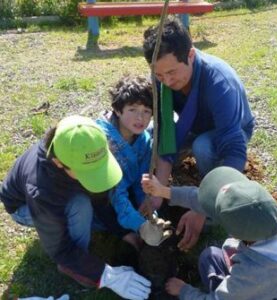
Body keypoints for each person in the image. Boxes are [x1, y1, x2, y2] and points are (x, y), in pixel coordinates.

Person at [0, 115, 151, 300]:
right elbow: (59, 248)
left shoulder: (85, 142)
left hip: (61, 192)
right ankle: (73, 267)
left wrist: (123, 232)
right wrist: (105, 274)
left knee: (90, 207)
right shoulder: (41, 190)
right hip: (23, 208)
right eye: (87, 173)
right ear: (58, 163)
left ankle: (81, 256)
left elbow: (99, 193)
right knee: (80, 205)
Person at [142, 17, 255, 250]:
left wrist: (201, 207)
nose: (167, 81)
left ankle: (214, 207)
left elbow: (234, 148)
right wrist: (159, 189)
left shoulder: (219, 83)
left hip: (232, 130)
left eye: (172, 73)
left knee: (203, 146)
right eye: (160, 76)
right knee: (150, 135)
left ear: (191, 55)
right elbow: (165, 130)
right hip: (195, 124)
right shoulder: (163, 77)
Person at [142, 166, 277, 299]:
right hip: (269, 282)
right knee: (210, 256)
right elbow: (204, 200)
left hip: (263, 288)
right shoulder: (269, 212)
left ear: (239, 235)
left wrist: (184, 291)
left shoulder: (255, 274)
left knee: (209, 260)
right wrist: (163, 191)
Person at [96, 75, 172, 248]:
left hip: (125, 188)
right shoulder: (103, 142)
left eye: (146, 111)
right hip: (105, 194)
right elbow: (117, 194)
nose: (140, 118)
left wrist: (148, 204)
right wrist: (141, 226)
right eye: (132, 110)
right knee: (101, 216)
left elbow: (142, 179)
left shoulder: (144, 139)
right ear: (117, 109)